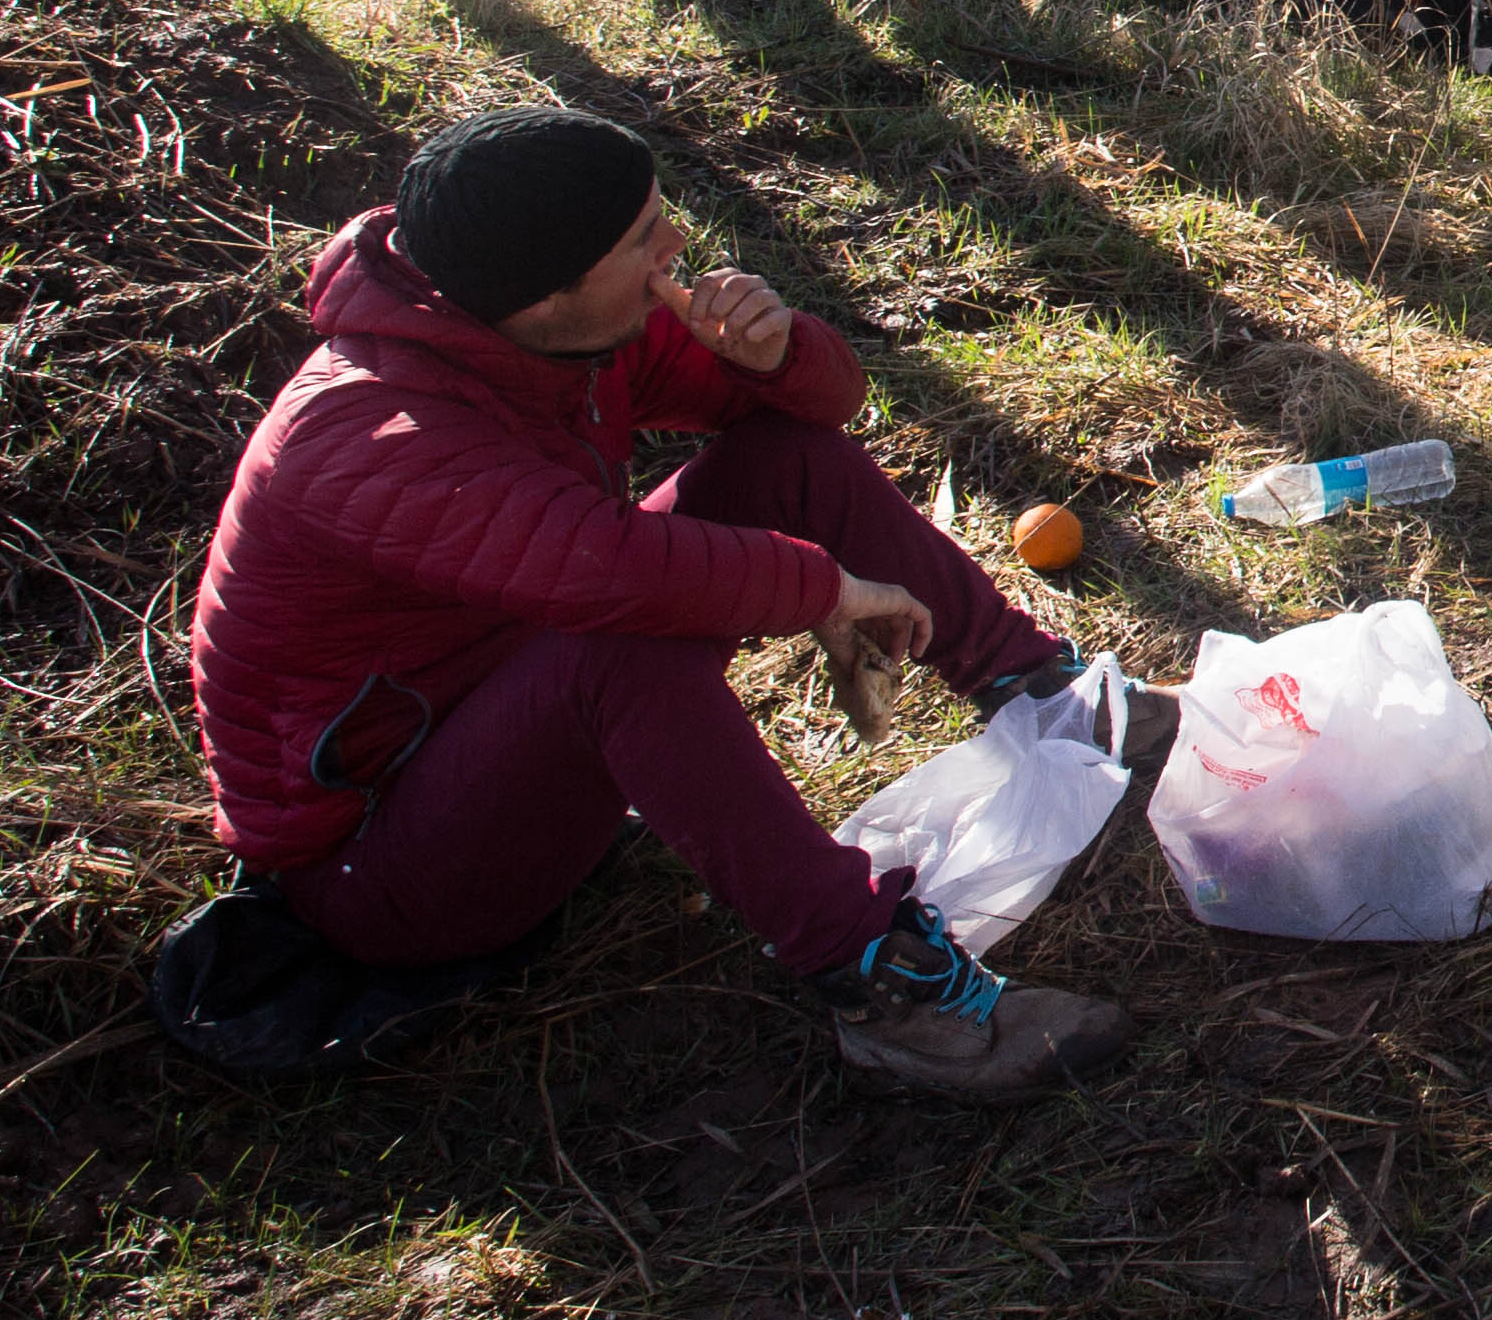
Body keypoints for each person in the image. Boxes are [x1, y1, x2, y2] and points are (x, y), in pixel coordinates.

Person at [186, 104, 1132, 1103]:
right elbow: (610, 573)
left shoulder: (543, 331)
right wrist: (826, 588)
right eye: (643, 237)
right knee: (616, 653)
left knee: (787, 459)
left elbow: (819, 416)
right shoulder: (366, 435)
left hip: (502, 719)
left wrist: (775, 356)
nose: (674, 246)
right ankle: (889, 992)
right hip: (380, 869)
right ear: (549, 290)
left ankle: (1045, 697)